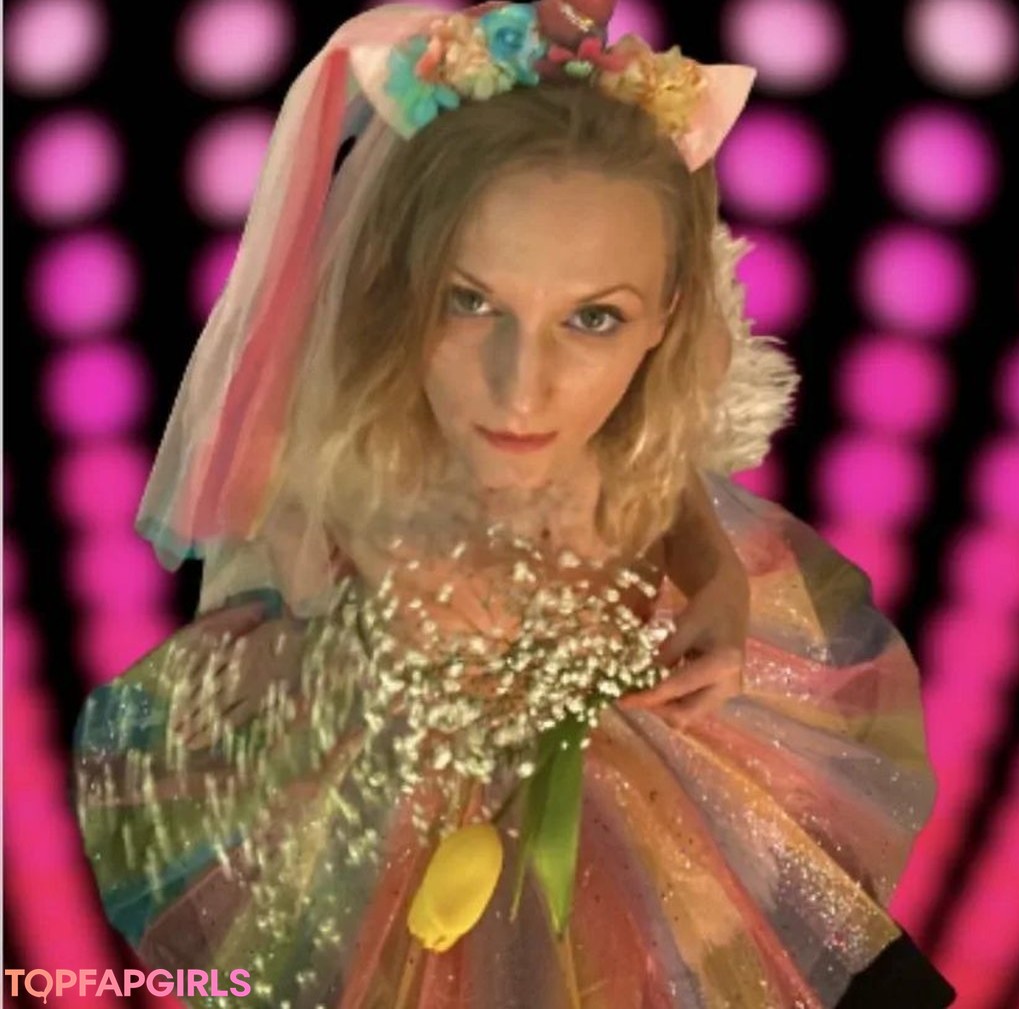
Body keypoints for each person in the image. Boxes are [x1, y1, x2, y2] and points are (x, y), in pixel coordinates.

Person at [71, 3, 957, 1006]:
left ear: (667, 316)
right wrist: (369, 630)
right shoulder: (350, 477)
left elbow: (659, 476)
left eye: (594, 318)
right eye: (471, 300)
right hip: (417, 831)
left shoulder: (637, 417)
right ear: (398, 285)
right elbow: (289, 644)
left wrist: (717, 578)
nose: (521, 389)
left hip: (661, 790)